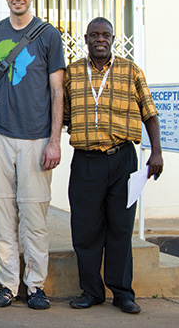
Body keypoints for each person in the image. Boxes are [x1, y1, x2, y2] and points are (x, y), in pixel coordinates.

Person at [0, 0, 65, 310]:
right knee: (2, 213)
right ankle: (8, 285)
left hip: (38, 138)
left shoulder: (48, 36)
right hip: (0, 133)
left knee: (35, 216)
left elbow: (58, 92)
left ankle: (36, 285)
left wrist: (55, 141)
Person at [64, 17, 163, 314]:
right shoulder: (71, 73)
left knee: (120, 228)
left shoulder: (131, 71)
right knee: (85, 230)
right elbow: (63, 115)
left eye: (105, 34)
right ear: (85, 38)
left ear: (113, 38)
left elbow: (150, 113)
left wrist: (156, 152)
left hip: (123, 160)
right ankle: (91, 291)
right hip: (85, 161)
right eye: (94, 34)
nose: (100, 39)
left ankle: (122, 293)